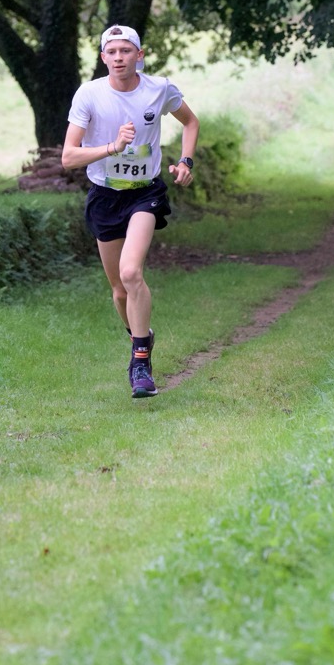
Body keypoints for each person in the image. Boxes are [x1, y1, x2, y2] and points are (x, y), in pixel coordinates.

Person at [62, 24, 200, 398]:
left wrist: (185, 160)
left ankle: (140, 363)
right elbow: (69, 156)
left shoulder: (159, 89)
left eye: (126, 50)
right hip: (105, 197)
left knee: (131, 272)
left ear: (139, 55)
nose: (119, 57)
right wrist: (112, 147)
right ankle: (142, 336)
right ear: (103, 57)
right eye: (112, 52)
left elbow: (190, 121)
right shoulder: (89, 94)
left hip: (145, 194)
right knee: (119, 291)